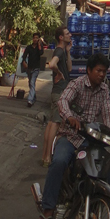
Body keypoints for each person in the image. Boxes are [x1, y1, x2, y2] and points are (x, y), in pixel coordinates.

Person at [38, 52, 110, 219]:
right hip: (70, 137)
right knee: (58, 162)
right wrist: (69, 117)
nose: (102, 75)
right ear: (89, 70)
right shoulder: (77, 84)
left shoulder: (104, 91)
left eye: (104, 71)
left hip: (92, 142)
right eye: (99, 70)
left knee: (109, 170)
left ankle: (97, 207)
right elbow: (62, 101)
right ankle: (48, 208)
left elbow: (107, 114)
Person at [42, 27, 72, 166]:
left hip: (58, 91)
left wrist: (68, 52)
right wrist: (59, 73)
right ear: (61, 37)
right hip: (59, 91)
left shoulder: (63, 51)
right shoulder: (59, 50)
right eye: (67, 34)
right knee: (55, 123)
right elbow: (52, 64)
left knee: (51, 123)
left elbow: (70, 69)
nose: (69, 35)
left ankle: (45, 155)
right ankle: (47, 157)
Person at [22, 33, 46, 107]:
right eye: (34, 38)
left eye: (37, 38)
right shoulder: (29, 47)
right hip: (29, 67)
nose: (35, 39)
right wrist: (24, 62)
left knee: (32, 82)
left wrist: (39, 44)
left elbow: (41, 53)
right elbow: (24, 56)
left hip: (36, 68)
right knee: (30, 83)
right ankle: (34, 97)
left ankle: (30, 100)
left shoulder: (39, 47)